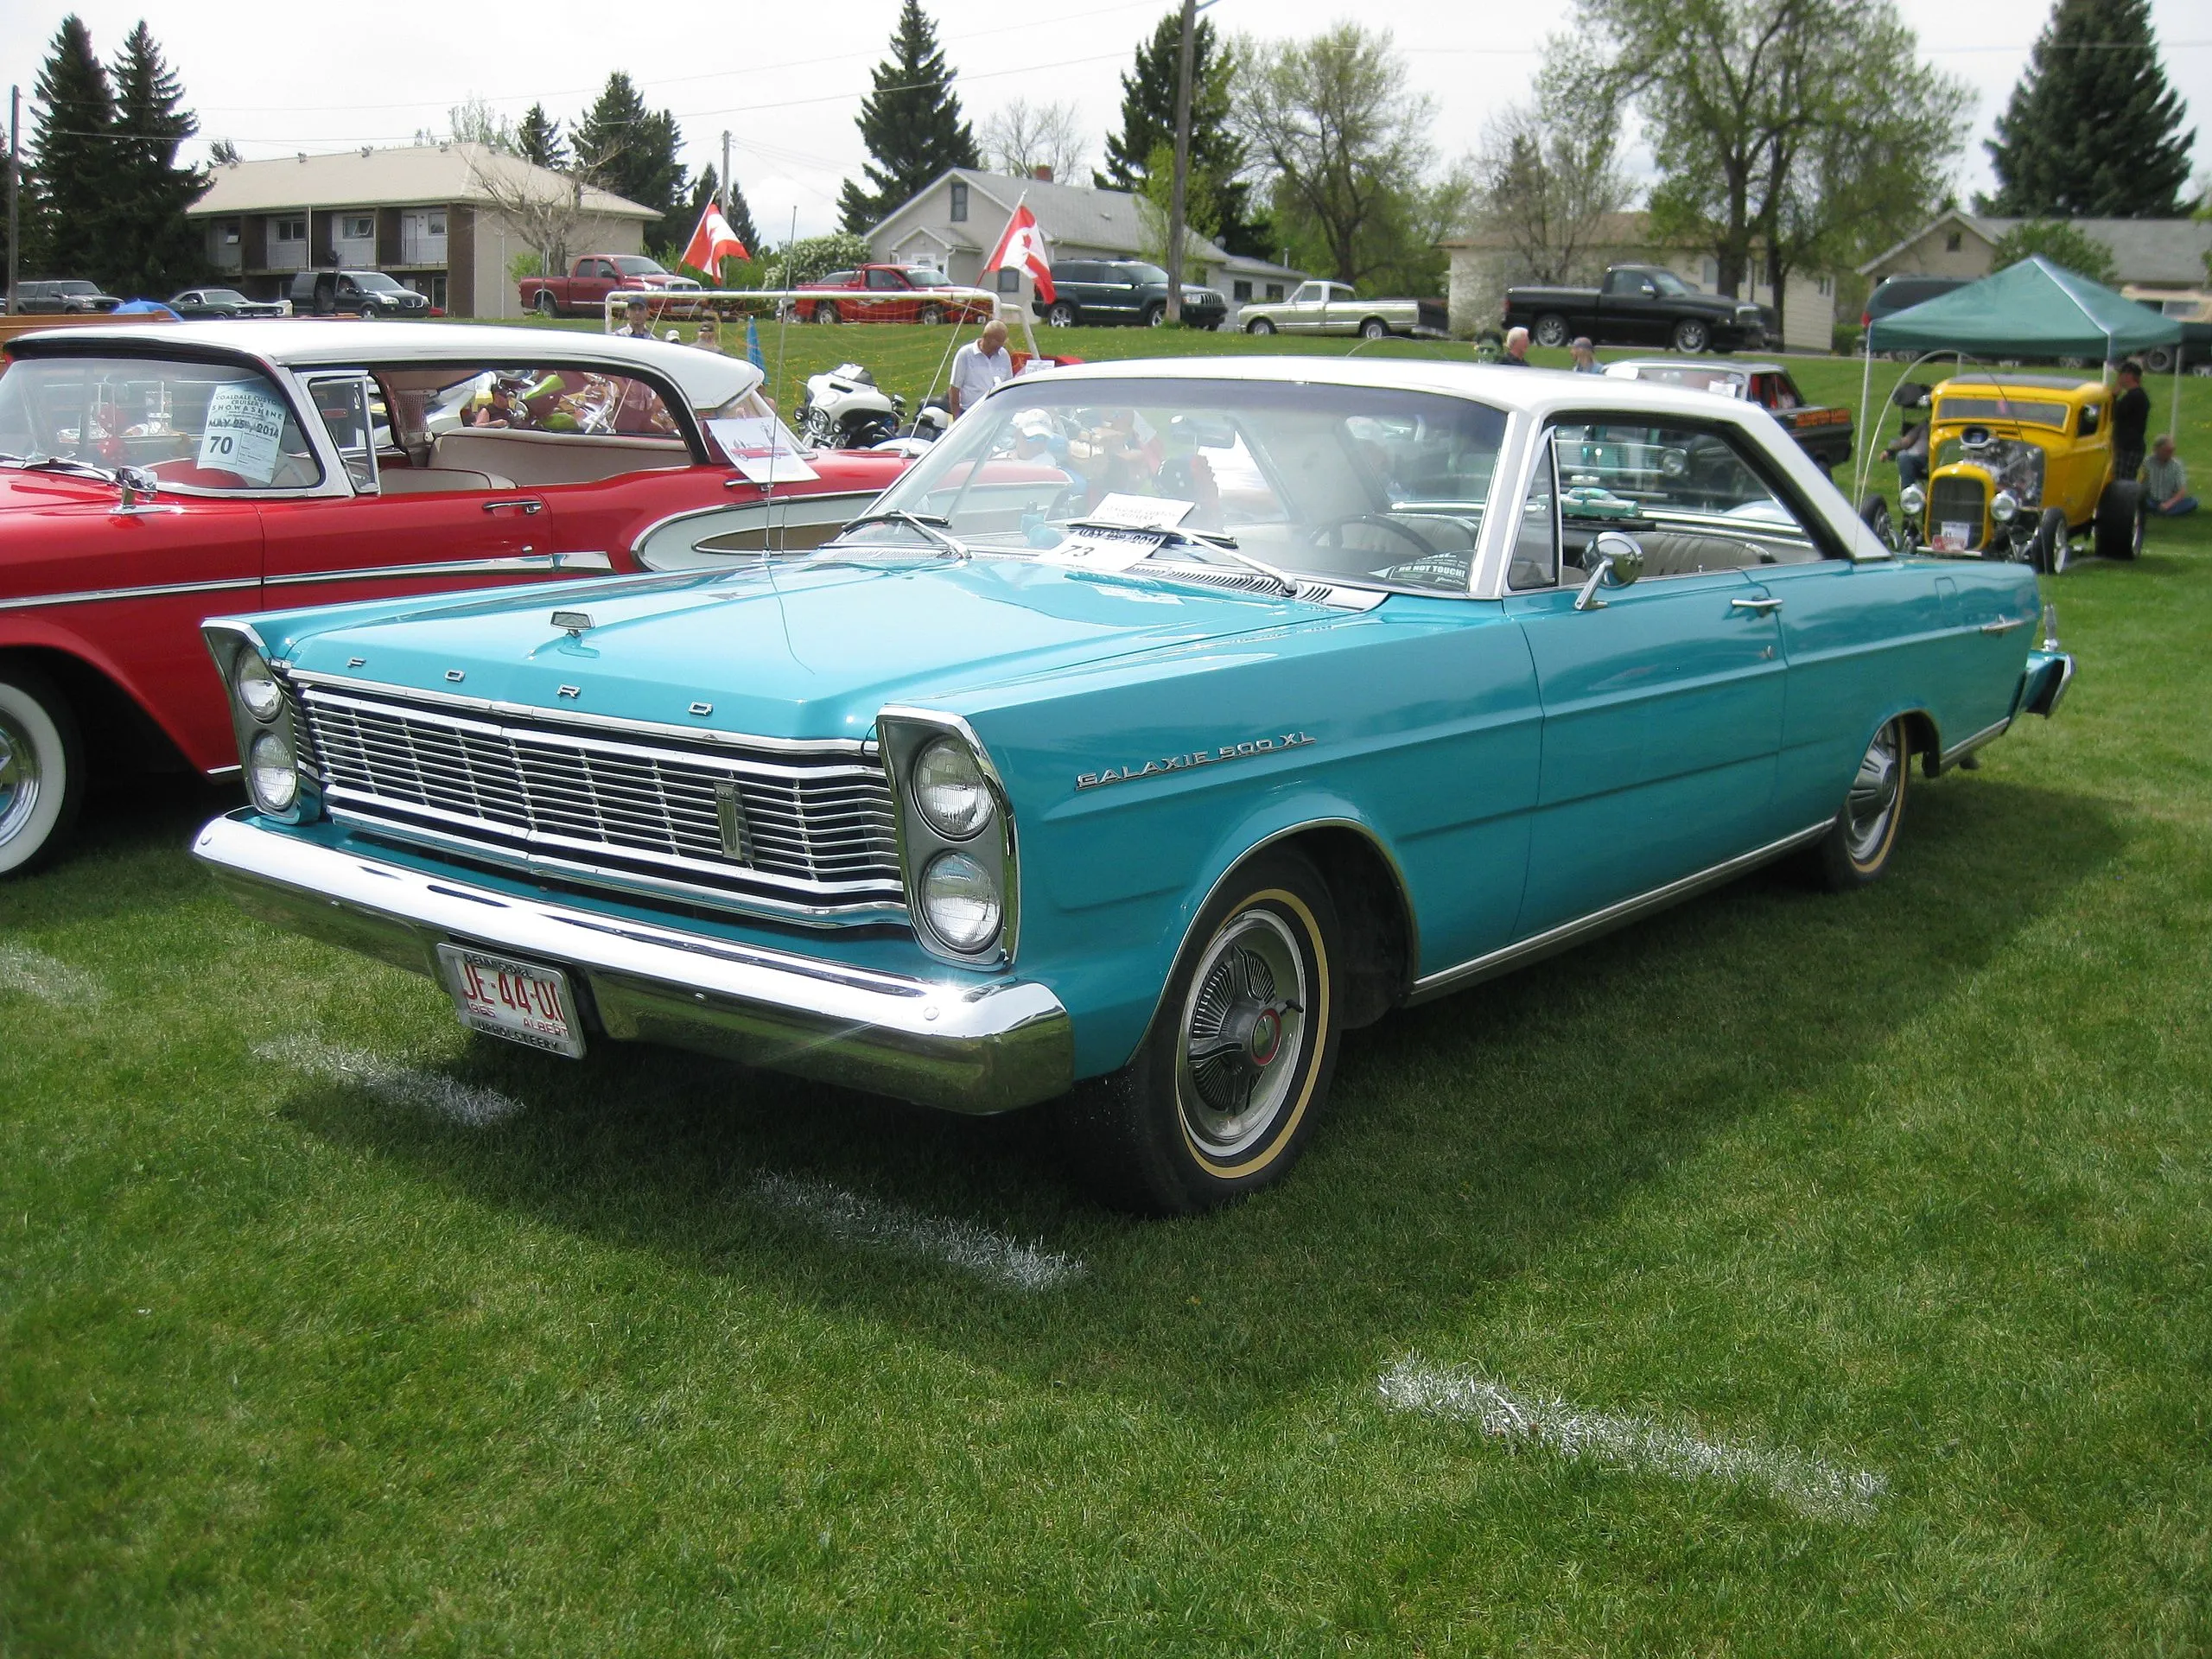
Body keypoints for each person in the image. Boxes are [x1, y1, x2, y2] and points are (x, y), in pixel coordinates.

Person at [948, 321, 1014, 416]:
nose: (998, 349)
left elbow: (1008, 387)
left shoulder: (1004, 355)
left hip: (996, 413)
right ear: (985, 338)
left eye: (1001, 344)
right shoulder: (965, 354)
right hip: (969, 413)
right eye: (995, 346)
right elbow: (954, 389)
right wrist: (956, 418)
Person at [2112, 359, 2150, 482]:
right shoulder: (2138, 396)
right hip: (2132, 446)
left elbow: (2115, 413)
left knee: (2122, 481)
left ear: (2128, 376)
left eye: (2120, 375)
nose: (2118, 378)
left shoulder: (2134, 397)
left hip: (2128, 448)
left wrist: (2113, 396)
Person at [2143, 435, 2196, 518]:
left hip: (2170, 500)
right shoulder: (2146, 462)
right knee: (2141, 501)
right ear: (2157, 450)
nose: (2171, 454)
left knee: (2193, 501)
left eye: (2172, 450)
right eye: (2167, 451)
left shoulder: (2177, 465)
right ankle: (2161, 512)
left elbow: (2182, 491)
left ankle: (2160, 511)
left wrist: (2168, 504)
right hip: (2151, 500)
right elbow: (2140, 483)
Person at [1883, 418, 1929, 491]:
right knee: (1903, 457)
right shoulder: (1925, 425)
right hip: (1924, 460)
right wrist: (1890, 450)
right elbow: (1906, 441)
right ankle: (1909, 494)